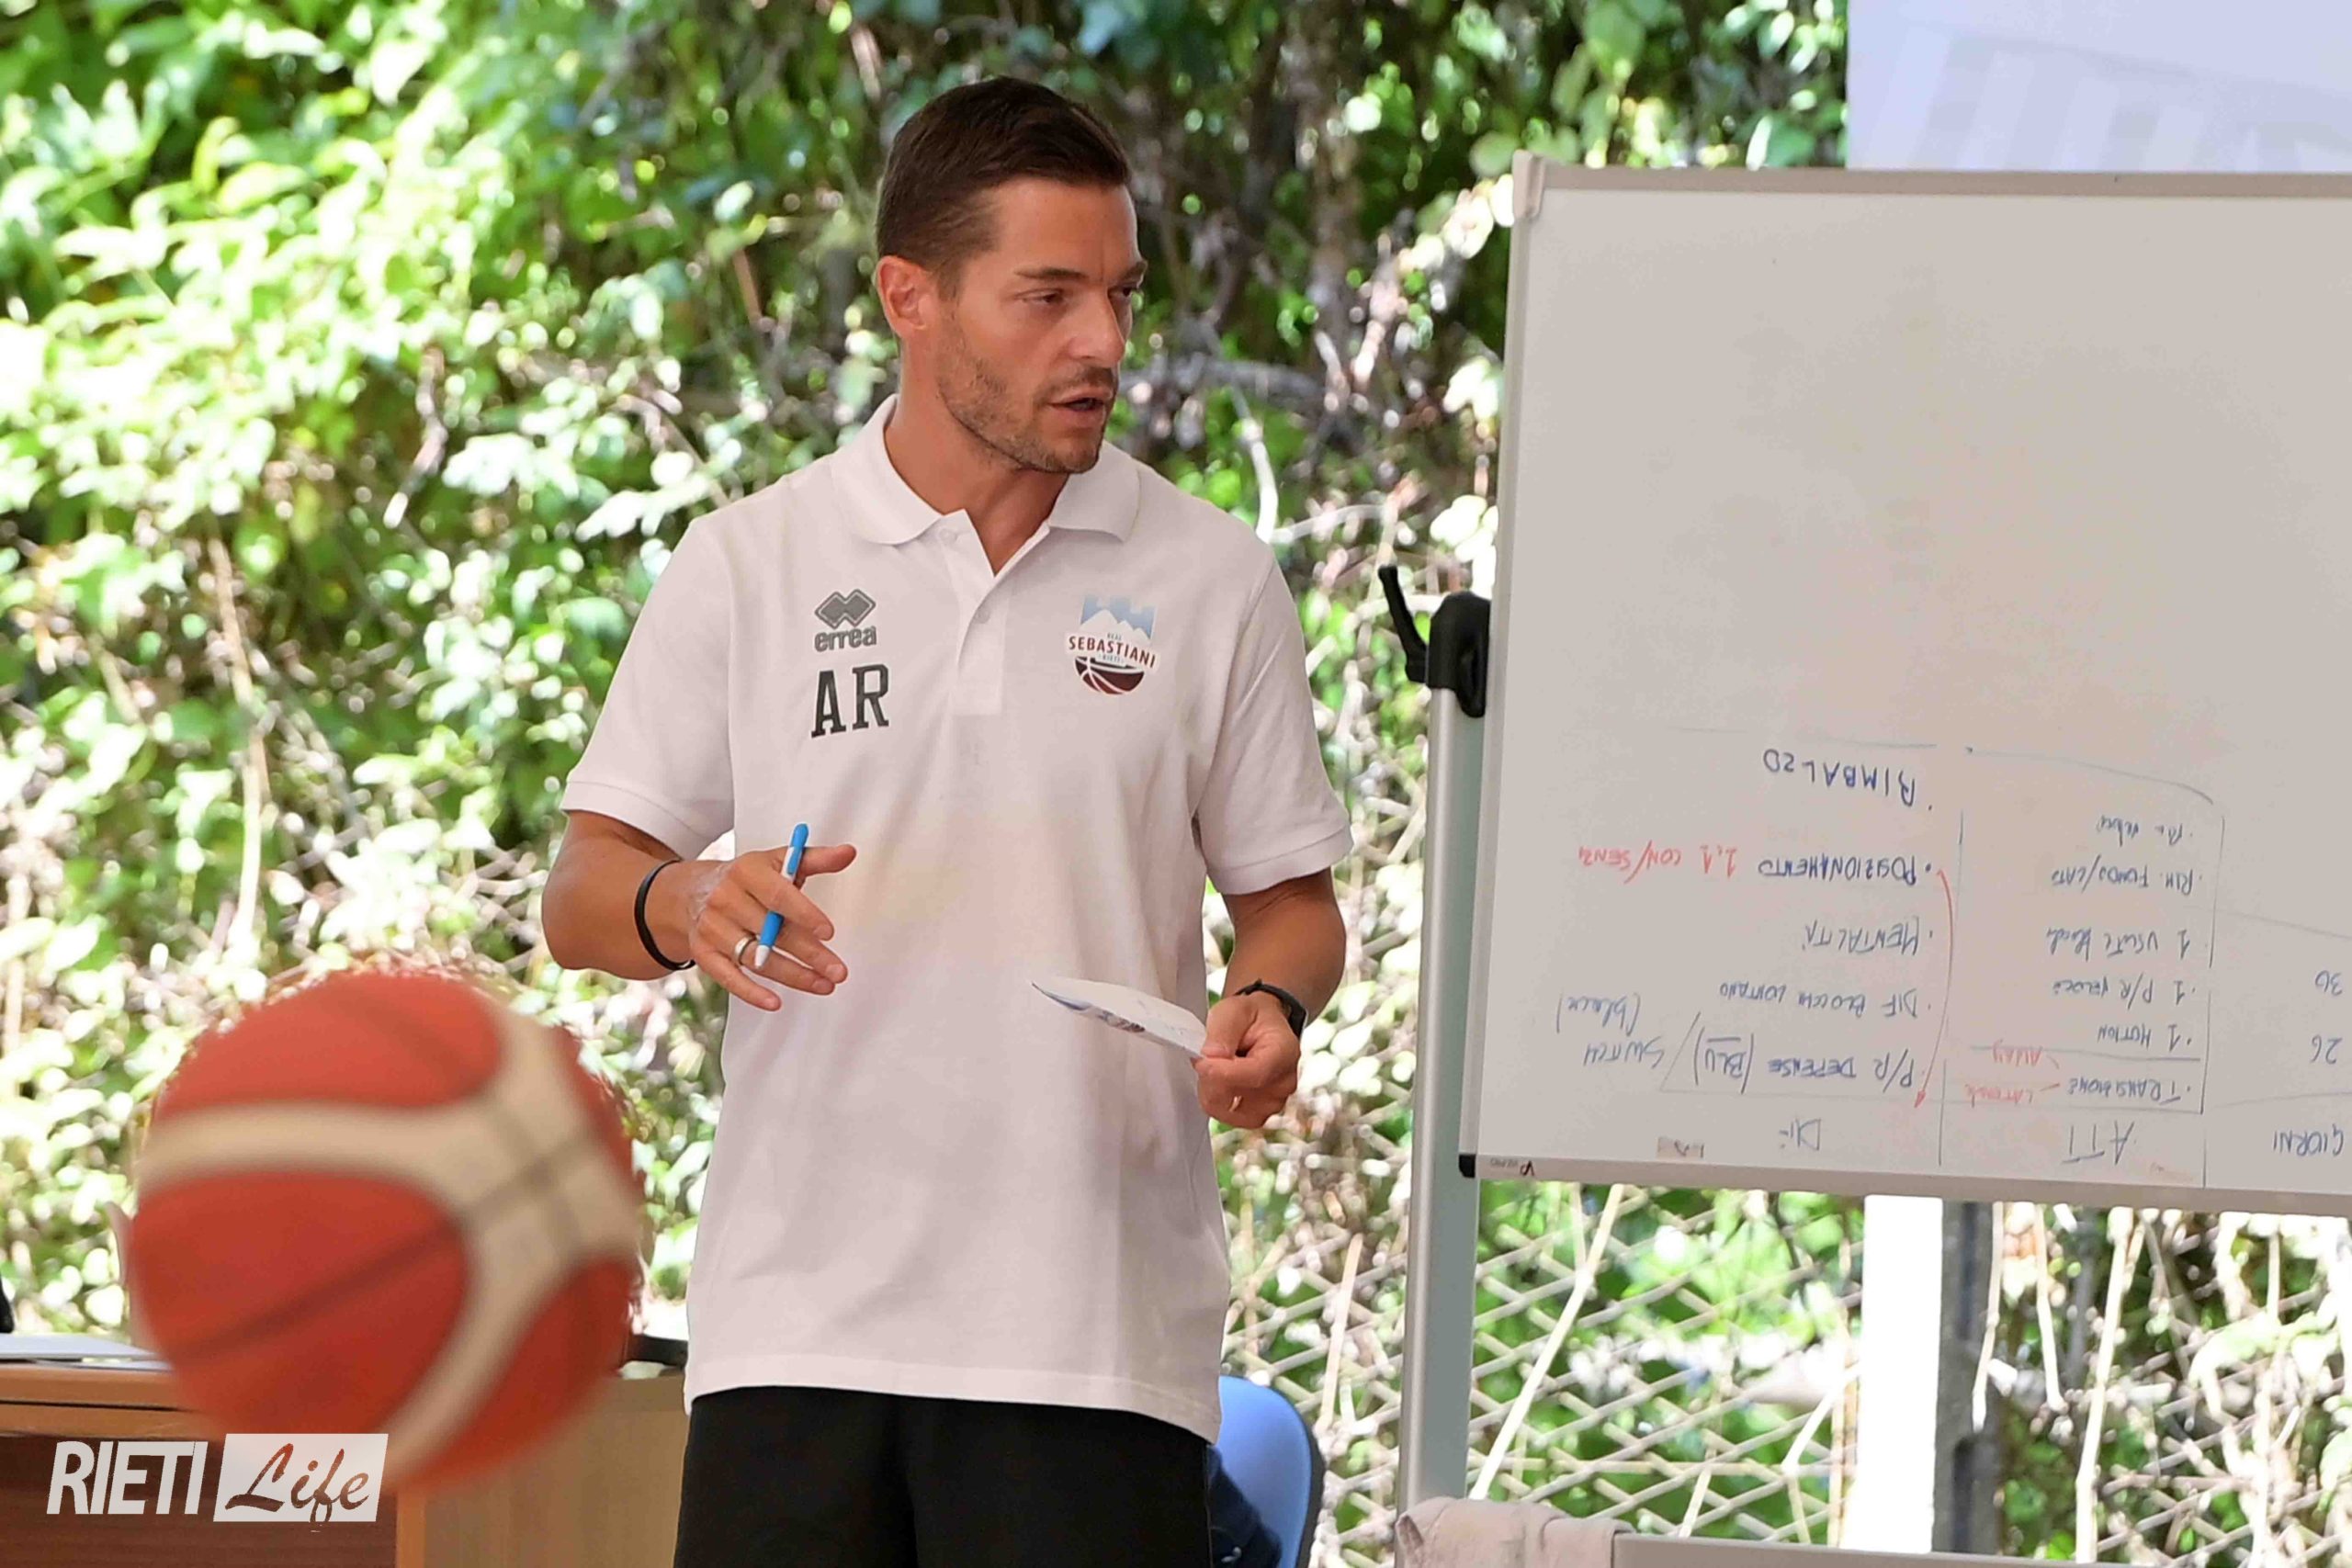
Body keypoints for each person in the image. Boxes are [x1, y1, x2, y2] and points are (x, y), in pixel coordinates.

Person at [542, 75, 1349, 1567]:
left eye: (1118, 294)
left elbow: (1293, 907)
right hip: (795, 1336)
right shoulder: (750, 563)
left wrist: (1270, 1002)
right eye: (1048, 296)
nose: (1101, 342)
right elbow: (584, 890)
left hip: (1096, 1344)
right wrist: (686, 901)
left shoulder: (1213, 578)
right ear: (908, 297)